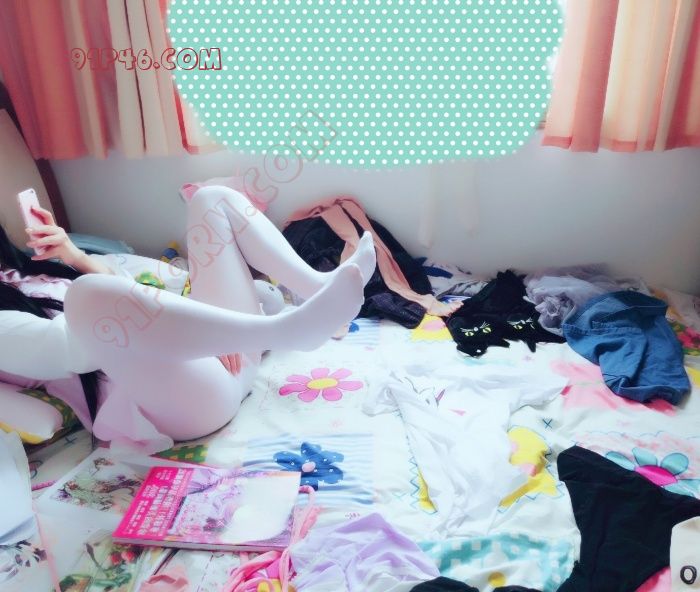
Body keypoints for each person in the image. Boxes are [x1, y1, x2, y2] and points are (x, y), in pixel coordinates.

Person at [0, 186, 376, 453]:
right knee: (87, 296)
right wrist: (207, 336)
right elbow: (77, 347)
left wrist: (73, 255)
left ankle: (316, 288)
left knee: (211, 200)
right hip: (185, 401)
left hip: (230, 355)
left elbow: (127, 295)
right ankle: (285, 332)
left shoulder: (25, 273)